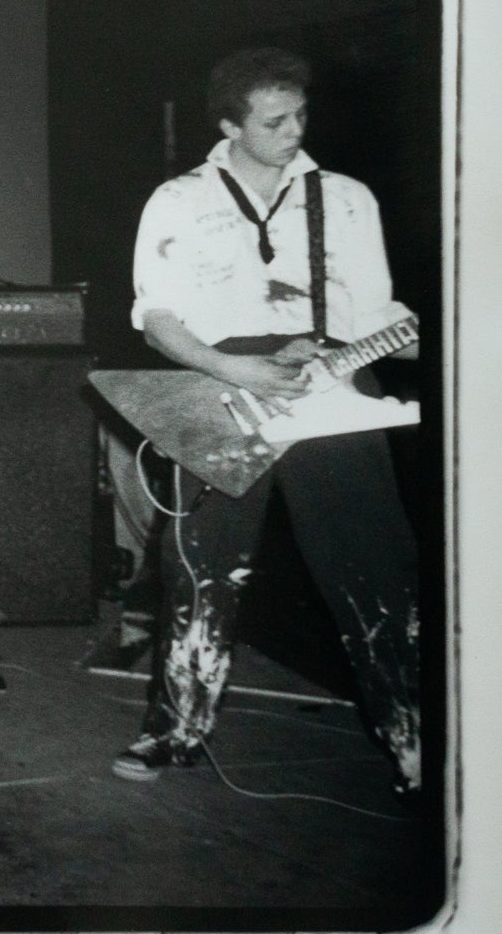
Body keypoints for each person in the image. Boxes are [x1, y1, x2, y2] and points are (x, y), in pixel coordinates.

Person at [113, 46, 422, 796]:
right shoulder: (179, 200)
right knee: (200, 572)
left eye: (301, 116)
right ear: (229, 124)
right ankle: (175, 729)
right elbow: (158, 320)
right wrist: (235, 368)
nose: (293, 131)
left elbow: (379, 312)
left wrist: (393, 339)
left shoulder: (347, 198)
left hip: (336, 383)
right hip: (225, 388)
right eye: (274, 120)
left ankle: (415, 740)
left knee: (378, 569)